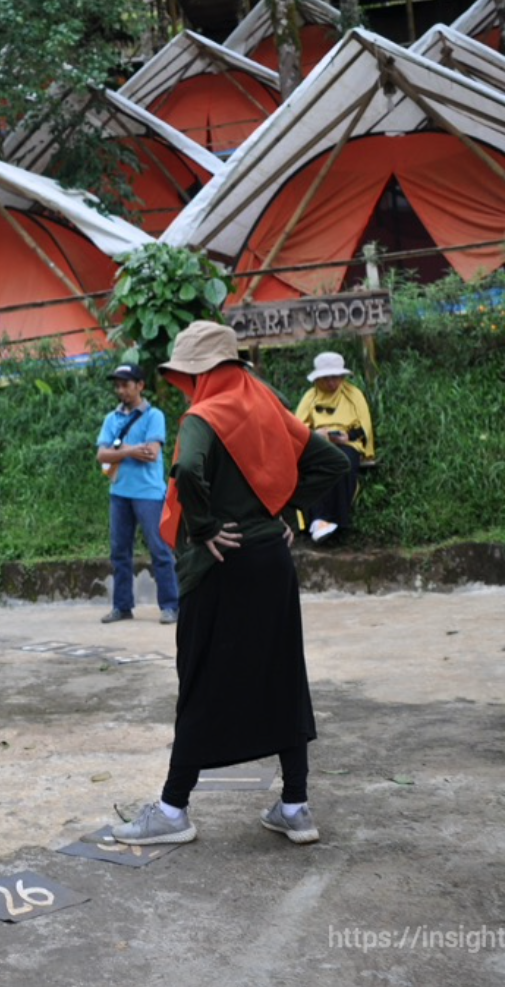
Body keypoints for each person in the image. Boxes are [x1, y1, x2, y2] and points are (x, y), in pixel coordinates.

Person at [111, 322, 349, 848]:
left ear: (195, 374)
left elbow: (188, 471)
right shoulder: (268, 408)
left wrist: (205, 528)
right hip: (272, 562)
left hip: (221, 565)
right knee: (284, 677)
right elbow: (333, 461)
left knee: (199, 680)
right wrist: (280, 508)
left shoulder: (204, 415)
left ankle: (173, 811)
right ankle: (296, 806)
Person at [95, 363, 180, 625]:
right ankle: (122, 607)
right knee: (120, 551)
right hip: (119, 492)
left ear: (140, 385)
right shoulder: (112, 419)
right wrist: (132, 451)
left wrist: (121, 451)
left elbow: (152, 453)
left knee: (160, 549)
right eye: (117, 385)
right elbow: (101, 455)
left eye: (126, 384)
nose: (121, 390)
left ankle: (171, 606)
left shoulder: (155, 416)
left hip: (149, 493)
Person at [293, 351, 375, 542]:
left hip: (347, 443)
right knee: (314, 466)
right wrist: (316, 435)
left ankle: (336, 521)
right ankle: (317, 519)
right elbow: (297, 428)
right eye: (327, 378)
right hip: (317, 444)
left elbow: (364, 426)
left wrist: (348, 436)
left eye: (335, 378)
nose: (332, 383)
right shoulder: (309, 397)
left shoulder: (353, 394)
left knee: (343, 462)